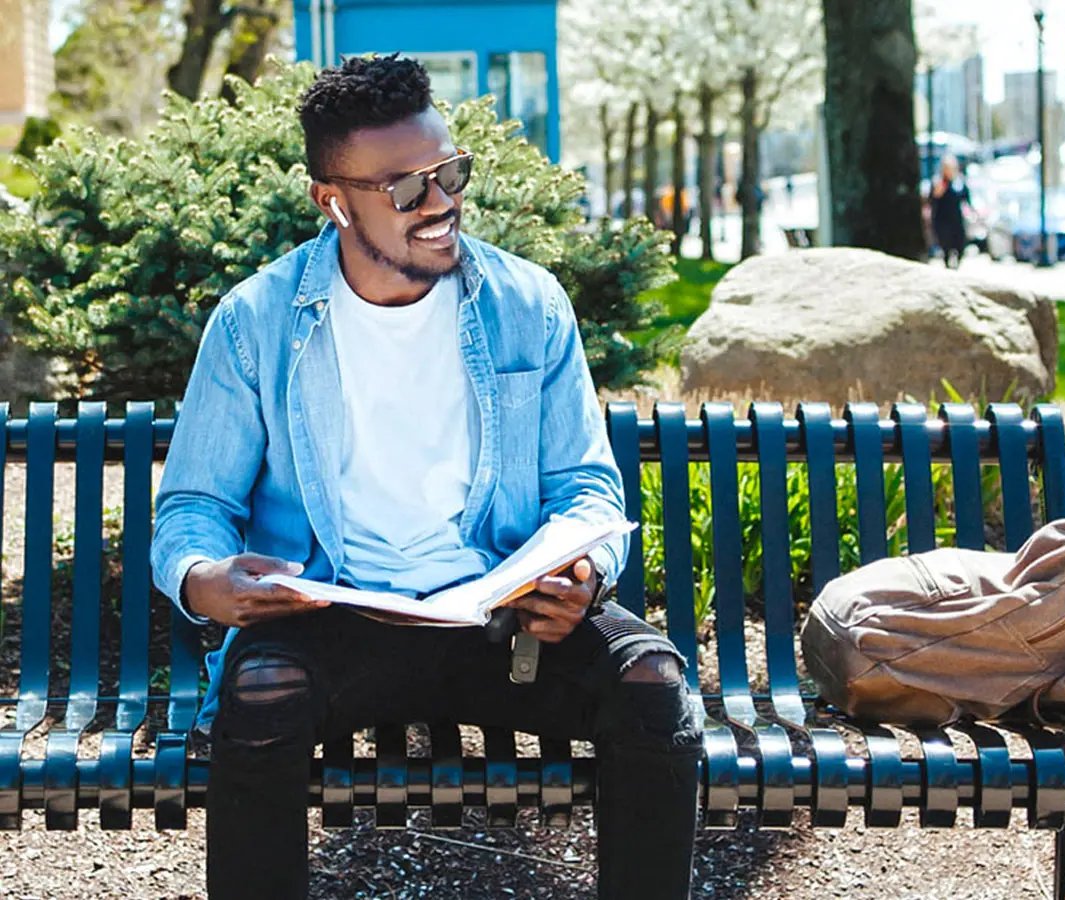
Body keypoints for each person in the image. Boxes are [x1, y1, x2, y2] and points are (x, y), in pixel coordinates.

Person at [150, 55, 702, 900]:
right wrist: (203, 579)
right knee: (259, 695)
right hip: (339, 616)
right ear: (333, 200)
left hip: (506, 623)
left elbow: (586, 487)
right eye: (407, 188)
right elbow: (195, 505)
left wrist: (581, 575)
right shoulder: (258, 321)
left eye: (449, 172)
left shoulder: (528, 303)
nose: (441, 201)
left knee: (652, 686)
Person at [930, 155, 973, 269]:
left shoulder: (959, 182)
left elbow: (966, 199)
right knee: (946, 244)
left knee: (960, 244)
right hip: (942, 219)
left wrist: (971, 213)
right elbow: (934, 198)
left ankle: (957, 264)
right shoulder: (938, 182)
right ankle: (947, 264)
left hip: (957, 219)